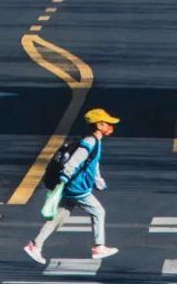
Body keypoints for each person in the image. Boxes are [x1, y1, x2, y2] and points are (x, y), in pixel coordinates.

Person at [25, 108, 120, 265]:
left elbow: (92, 165)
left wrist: (98, 181)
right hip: (76, 187)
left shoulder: (95, 142)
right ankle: (98, 246)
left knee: (58, 218)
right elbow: (75, 161)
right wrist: (65, 177)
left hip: (73, 185)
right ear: (99, 125)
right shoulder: (90, 142)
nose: (111, 126)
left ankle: (35, 245)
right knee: (98, 211)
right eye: (108, 123)